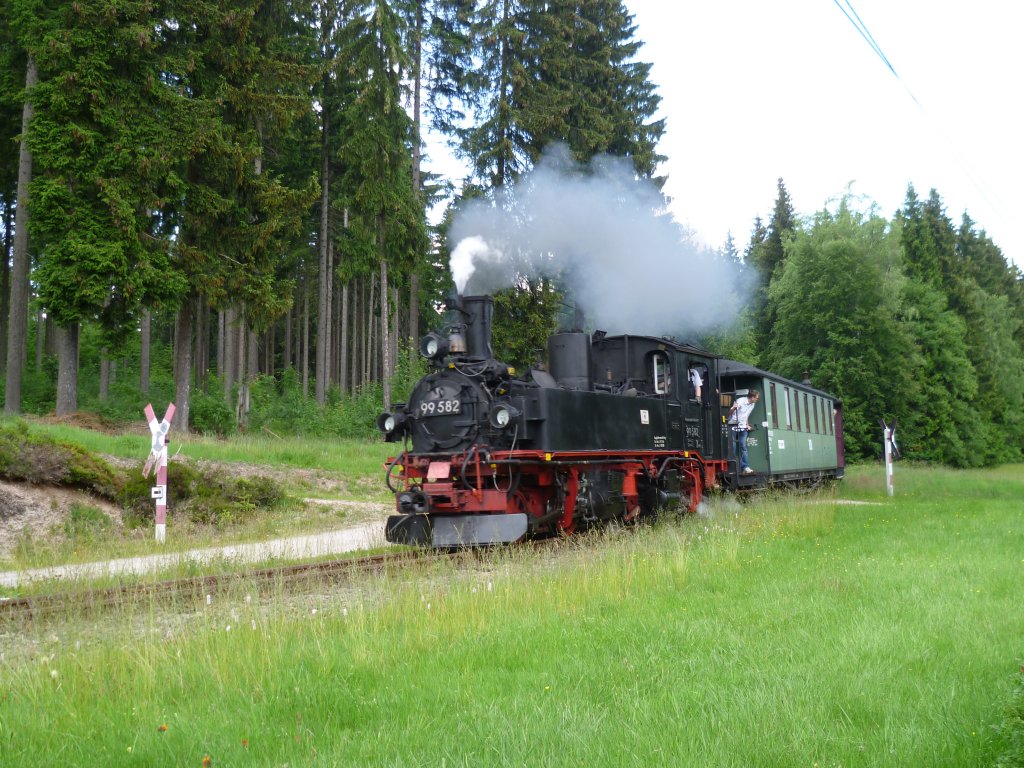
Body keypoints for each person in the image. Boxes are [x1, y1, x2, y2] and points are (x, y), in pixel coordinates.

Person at [727, 389, 760, 474]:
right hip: (733, 425)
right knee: (733, 446)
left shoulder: (752, 404)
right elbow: (730, 413)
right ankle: (732, 466)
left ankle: (745, 466)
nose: (757, 399)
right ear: (752, 397)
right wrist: (734, 408)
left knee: (743, 447)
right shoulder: (740, 401)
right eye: (756, 398)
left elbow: (746, 415)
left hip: (743, 426)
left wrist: (747, 424)